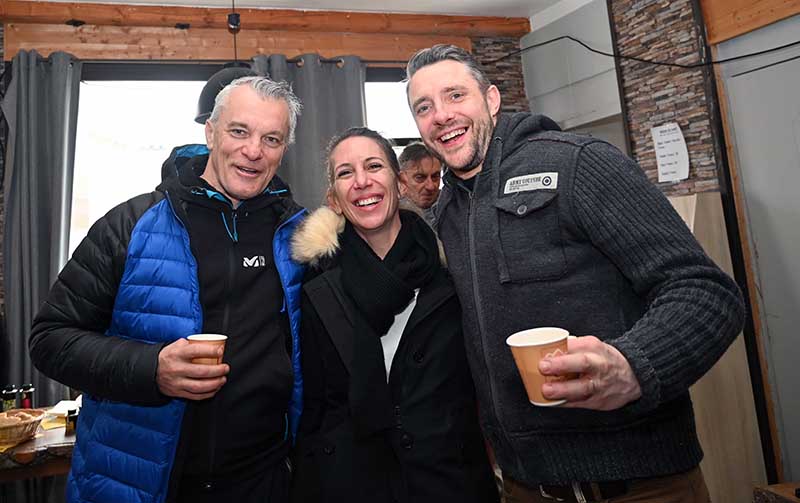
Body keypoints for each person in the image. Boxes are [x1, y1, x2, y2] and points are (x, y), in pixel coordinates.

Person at [405, 44, 745, 503]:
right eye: (424, 107)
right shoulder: (448, 208)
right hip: (527, 486)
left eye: (455, 95)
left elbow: (706, 291)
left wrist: (635, 366)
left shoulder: (579, 164)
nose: (441, 115)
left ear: (491, 99)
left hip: (640, 485)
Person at [29, 75, 306, 503]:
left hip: (262, 481)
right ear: (210, 132)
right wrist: (151, 368)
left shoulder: (299, 235)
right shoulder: (130, 224)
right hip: (137, 482)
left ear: (284, 148)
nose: (254, 151)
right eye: (239, 131)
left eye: (272, 139)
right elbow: (50, 339)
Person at [289, 127, 499, 503]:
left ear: (400, 184)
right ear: (333, 199)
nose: (362, 181)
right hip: (350, 484)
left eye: (373, 166)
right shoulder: (314, 285)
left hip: (447, 482)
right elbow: (313, 406)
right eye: (345, 173)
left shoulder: (452, 272)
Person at [398, 141, 442, 224]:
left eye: (435, 176)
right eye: (420, 178)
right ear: (401, 180)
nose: (430, 186)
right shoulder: (388, 216)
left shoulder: (454, 208)